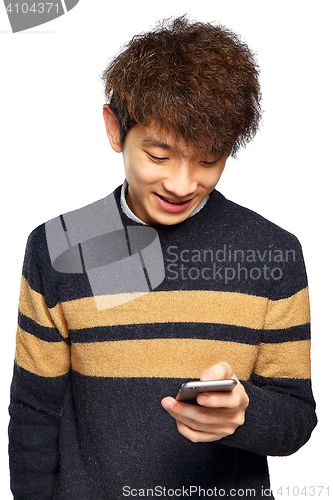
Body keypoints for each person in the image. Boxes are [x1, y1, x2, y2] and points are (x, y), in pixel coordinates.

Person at [8, 16, 317, 500]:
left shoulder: (272, 253)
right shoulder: (62, 246)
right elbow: (35, 413)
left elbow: (296, 419)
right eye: (158, 156)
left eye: (209, 159)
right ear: (114, 129)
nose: (182, 184)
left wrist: (242, 413)